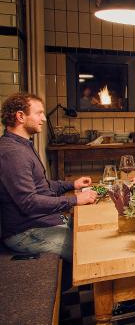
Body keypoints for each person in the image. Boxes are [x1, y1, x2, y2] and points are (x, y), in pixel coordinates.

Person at [0, 92, 97, 262]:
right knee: (89, 251)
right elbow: (29, 202)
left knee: (93, 235)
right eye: (39, 113)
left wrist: (72, 184)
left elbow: (41, 185)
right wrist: (75, 200)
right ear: (20, 116)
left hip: (42, 224)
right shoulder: (13, 153)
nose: (44, 118)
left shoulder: (22, 145)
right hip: (26, 233)